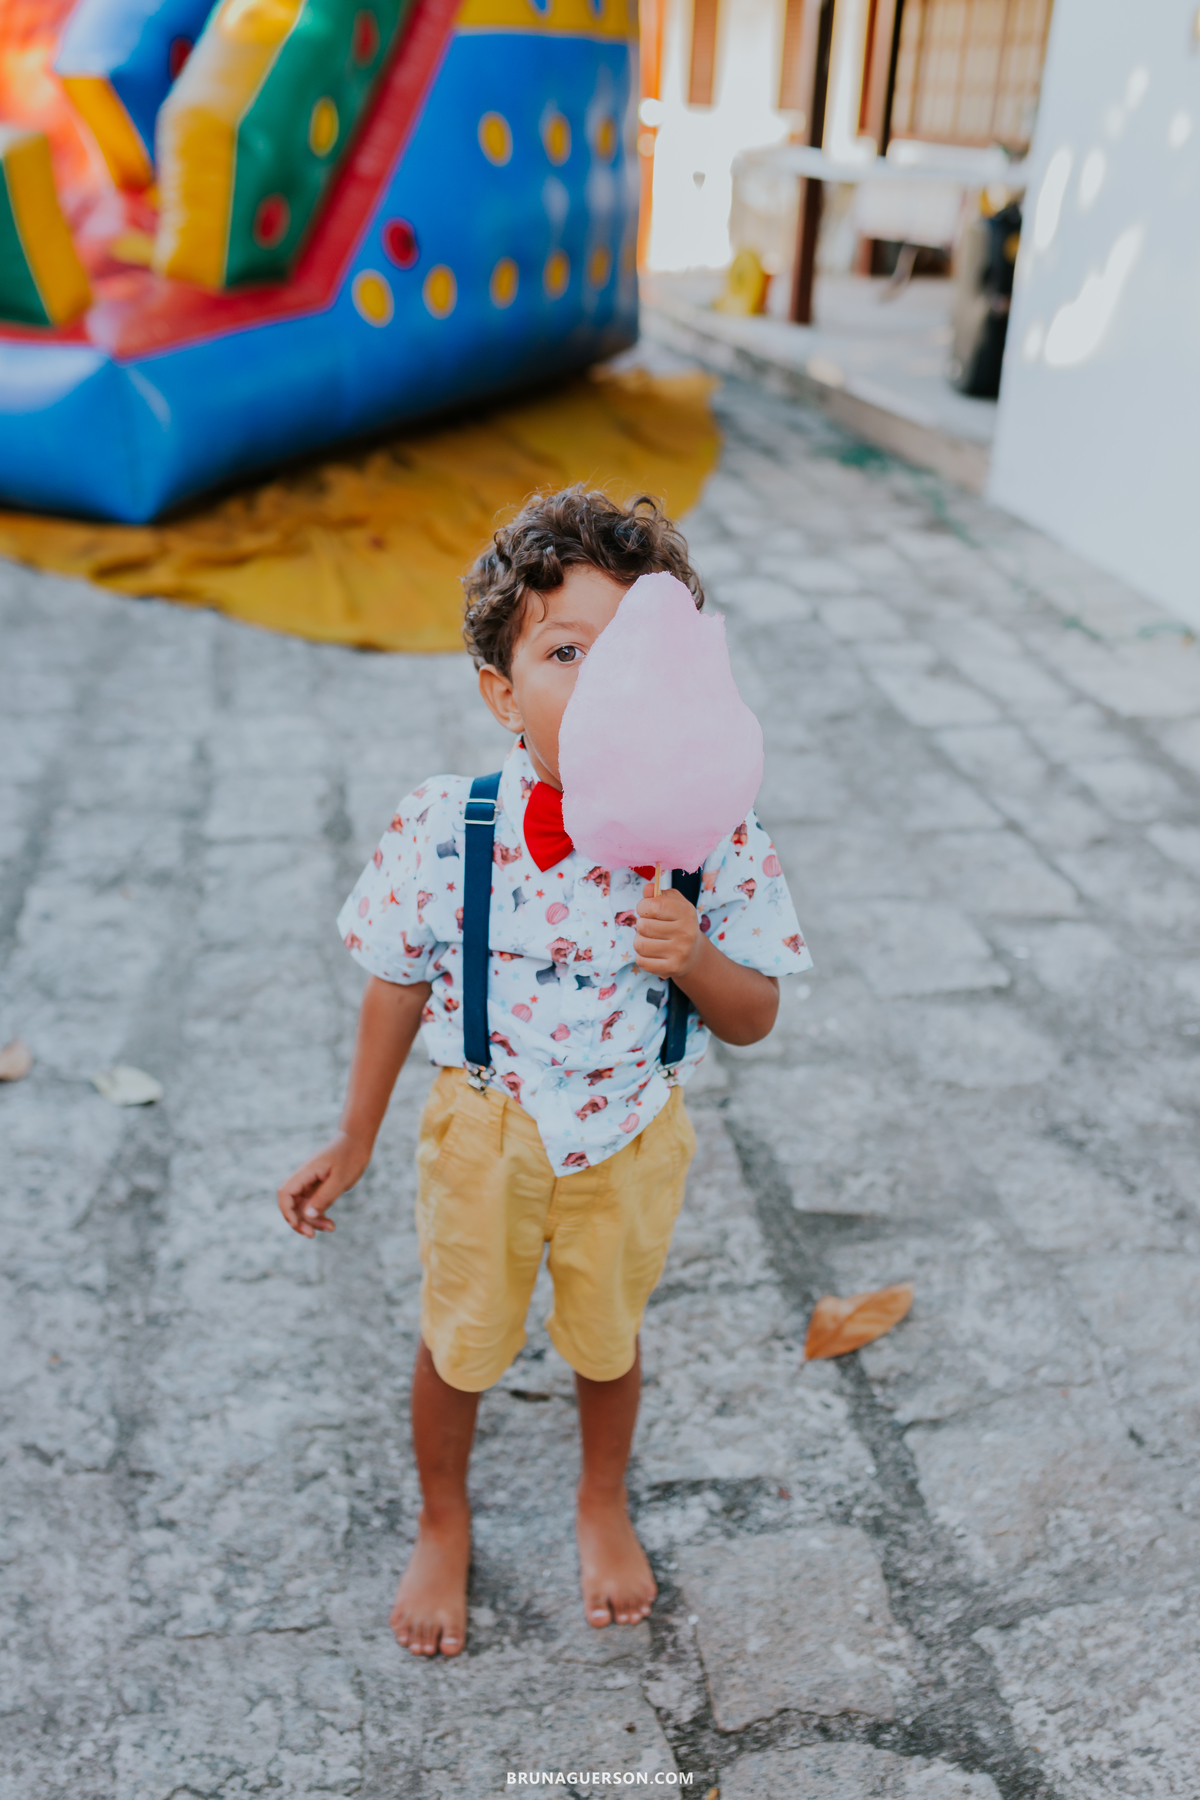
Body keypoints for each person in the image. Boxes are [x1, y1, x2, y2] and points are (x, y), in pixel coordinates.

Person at [278, 488, 811, 1657]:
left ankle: (599, 1500)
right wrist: (356, 1137)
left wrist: (700, 960)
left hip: (627, 1137)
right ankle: (442, 1517)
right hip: (485, 1128)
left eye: (631, 655)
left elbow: (759, 1011)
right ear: (503, 694)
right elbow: (394, 981)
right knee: (459, 1338)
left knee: (607, 1339)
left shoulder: (713, 836)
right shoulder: (447, 824)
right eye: (568, 652)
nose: (605, 683)